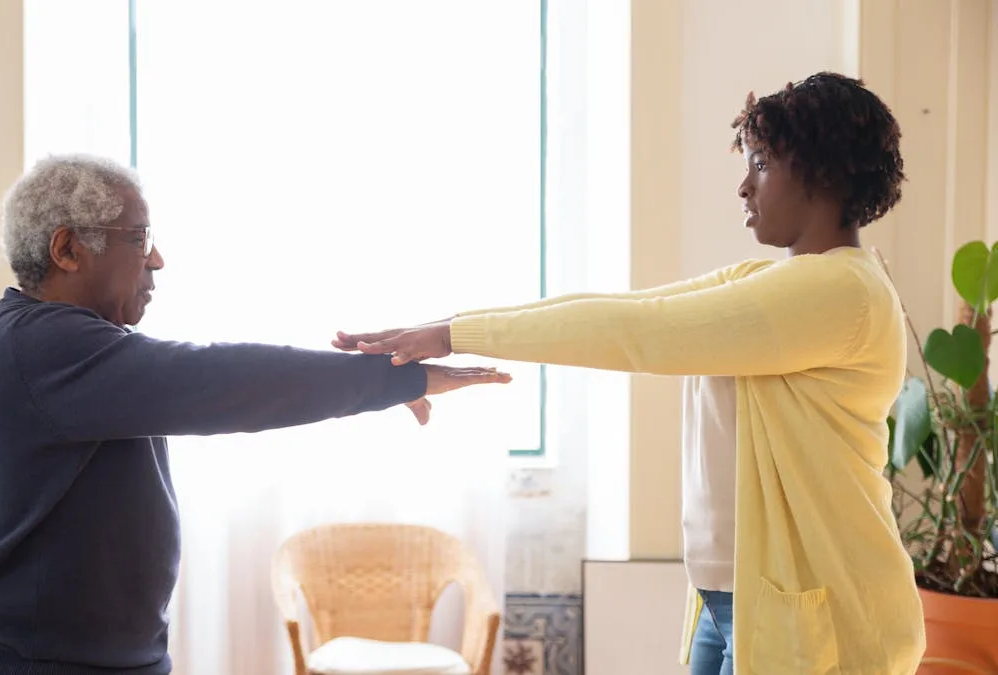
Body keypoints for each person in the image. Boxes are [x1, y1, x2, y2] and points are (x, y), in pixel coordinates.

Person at [333, 72, 926, 674]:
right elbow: (635, 311)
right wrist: (448, 327)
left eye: (762, 163)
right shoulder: (769, 285)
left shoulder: (838, 291)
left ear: (822, 171)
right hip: (738, 600)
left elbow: (637, 335)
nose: (745, 187)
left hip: (821, 611)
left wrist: (450, 335)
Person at [0, 154, 510, 675]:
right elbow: (227, 380)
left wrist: (386, 381)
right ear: (67, 250)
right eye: (139, 239)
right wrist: (395, 375)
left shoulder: (67, 350)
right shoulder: (39, 346)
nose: (157, 260)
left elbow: (217, 382)